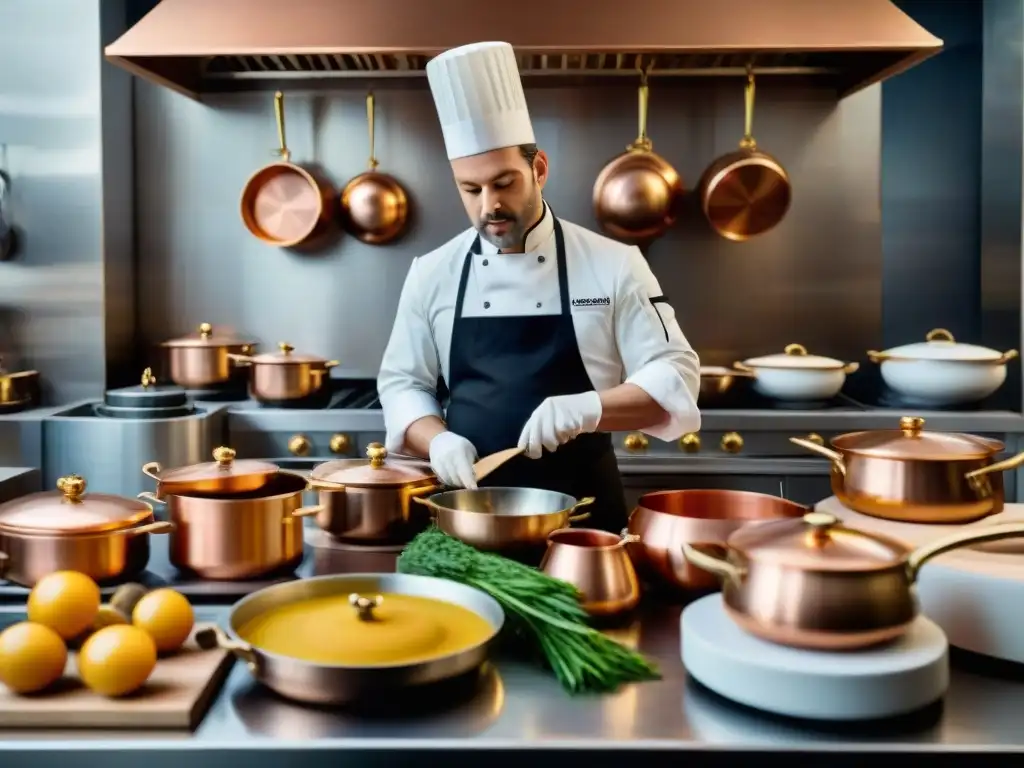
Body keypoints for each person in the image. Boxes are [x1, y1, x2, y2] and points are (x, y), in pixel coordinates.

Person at [377, 41, 701, 532]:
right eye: (471, 189)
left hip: (585, 522)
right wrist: (437, 440)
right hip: (469, 513)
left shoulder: (615, 265)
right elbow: (404, 384)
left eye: (504, 182)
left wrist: (588, 408)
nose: (489, 205)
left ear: (539, 170)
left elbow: (675, 377)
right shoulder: (432, 272)